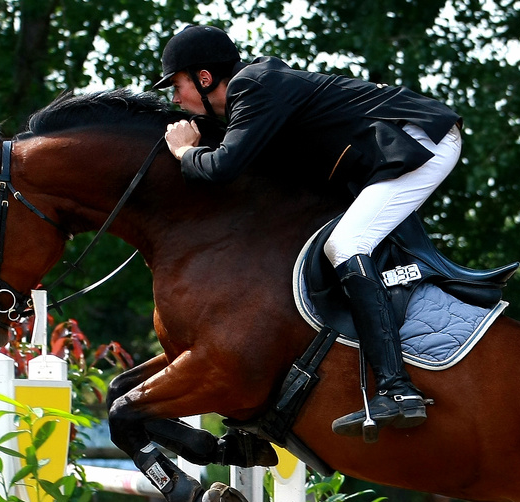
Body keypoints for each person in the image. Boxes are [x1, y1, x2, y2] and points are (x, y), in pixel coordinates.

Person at [155, 24, 462, 437]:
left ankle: (397, 388)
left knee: (347, 244)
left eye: (176, 85)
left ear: (204, 78)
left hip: (418, 141)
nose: (175, 99)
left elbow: (224, 168)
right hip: (395, 146)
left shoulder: (252, 86)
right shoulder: (255, 93)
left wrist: (186, 152)